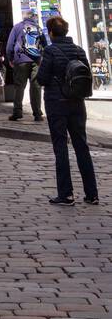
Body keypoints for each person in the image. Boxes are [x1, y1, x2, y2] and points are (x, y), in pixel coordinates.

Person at [36, 15, 99, 207]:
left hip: (57, 104)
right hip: (77, 104)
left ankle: (66, 194)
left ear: (51, 33)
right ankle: (92, 193)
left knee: (61, 147)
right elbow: (86, 75)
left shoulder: (50, 51)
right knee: (82, 146)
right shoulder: (79, 50)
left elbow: (42, 78)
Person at [6, 11, 44, 121]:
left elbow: (9, 45)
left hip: (20, 60)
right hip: (36, 61)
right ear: (34, 18)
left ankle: (17, 112)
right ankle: (37, 114)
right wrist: (41, 57)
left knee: (19, 87)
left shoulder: (17, 27)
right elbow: (45, 44)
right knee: (36, 87)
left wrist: (10, 58)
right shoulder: (38, 28)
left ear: (24, 17)